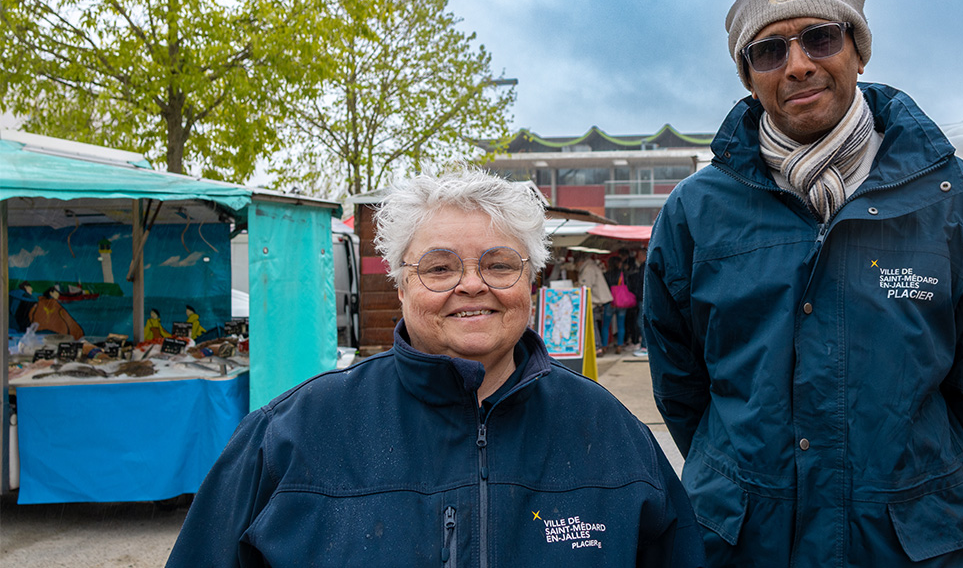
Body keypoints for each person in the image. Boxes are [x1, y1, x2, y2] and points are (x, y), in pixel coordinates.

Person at [643, 0, 963, 568]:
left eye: (820, 38)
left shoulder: (952, 197)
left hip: (913, 543)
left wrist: (926, 491)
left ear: (858, 51)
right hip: (747, 541)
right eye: (768, 51)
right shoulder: (696, 211)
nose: (797, 64)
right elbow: (680, 383)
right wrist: (745, 479)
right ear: (748, 75)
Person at [168, 168, 703, 567]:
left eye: (498, 264)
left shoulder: (612, 435)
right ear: (401, 286)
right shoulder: (288, 437)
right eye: (439, 267)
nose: (472, 284)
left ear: (531, 283)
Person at [575, 252, 613, 354]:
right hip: (605, 301)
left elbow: (586, 287)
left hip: (598, 302)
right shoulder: (592, 266)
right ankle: (603, 347)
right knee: (604, 326)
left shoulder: (588, 269)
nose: (576, 266)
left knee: (595, 325)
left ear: (580, 262)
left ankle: (598, 348)